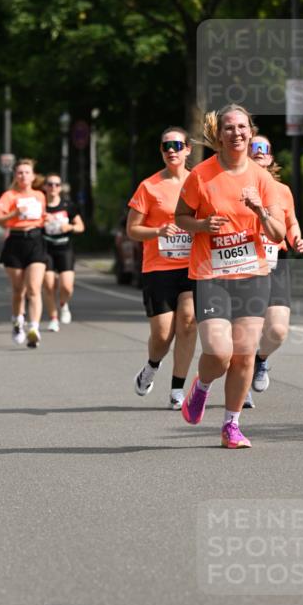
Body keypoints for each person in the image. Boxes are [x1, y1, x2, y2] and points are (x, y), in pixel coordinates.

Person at [175, 104, 285, 448]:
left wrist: (260, 210)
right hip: (212, 274)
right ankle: (202, 385)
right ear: (218, 135)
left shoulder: (262, 179)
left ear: (250, 132)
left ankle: (231, 426)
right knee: (220, 353)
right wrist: (202, 225)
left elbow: (278, 233)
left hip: (252, 274)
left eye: (241, 127)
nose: (236, 133)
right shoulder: (201, 176)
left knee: (244, 354)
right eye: (228, 128)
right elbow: (181, 217)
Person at [127, 127, 197, 409]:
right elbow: (132, 230)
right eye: (166, 146)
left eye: (177, 145)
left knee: (189, 323)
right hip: (159, 267)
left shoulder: (200, 182)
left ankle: (177, 389)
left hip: (193, 266)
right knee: (162, 334)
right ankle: (152, 366)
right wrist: (158, 231)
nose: (172, 150)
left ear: (188, 149)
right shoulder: (149, 186)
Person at [245, 135, 303, 403]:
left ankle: (260, 360)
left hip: (276, 263)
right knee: (246, 330)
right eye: (254, 148)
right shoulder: (234, 186)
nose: (259, 152)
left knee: (278, 331)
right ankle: (241, 385)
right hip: (243, 264)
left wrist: (296, 239)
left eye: (264, 149)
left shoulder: (282, 191)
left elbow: (292, 222)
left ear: (271, 157)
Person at [0, 158, 47, 348]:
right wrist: (14, 214)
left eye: (26, 172)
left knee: (33, 288)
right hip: (15, 242)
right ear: (15, 176)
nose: (23, 175)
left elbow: (44, 217)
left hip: (35, 241)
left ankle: (34, 327)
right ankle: (17, 322)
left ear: (33, 176)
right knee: (18, 290)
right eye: (20, 172)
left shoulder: (40, 195)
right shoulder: (9, 195)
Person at [41, 173, 84, 331]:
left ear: (60, 188)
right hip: (46, 248)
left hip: (65, 248)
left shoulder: (68, 205)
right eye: (50, 184)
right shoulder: (41, 206)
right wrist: (41, 221)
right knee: (49, 285)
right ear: (45, 186)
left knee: (66, 287)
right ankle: (53, 318)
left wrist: (70, 227)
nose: (53, 187)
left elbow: (81, 226)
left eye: (57, 184)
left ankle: (63, 304)